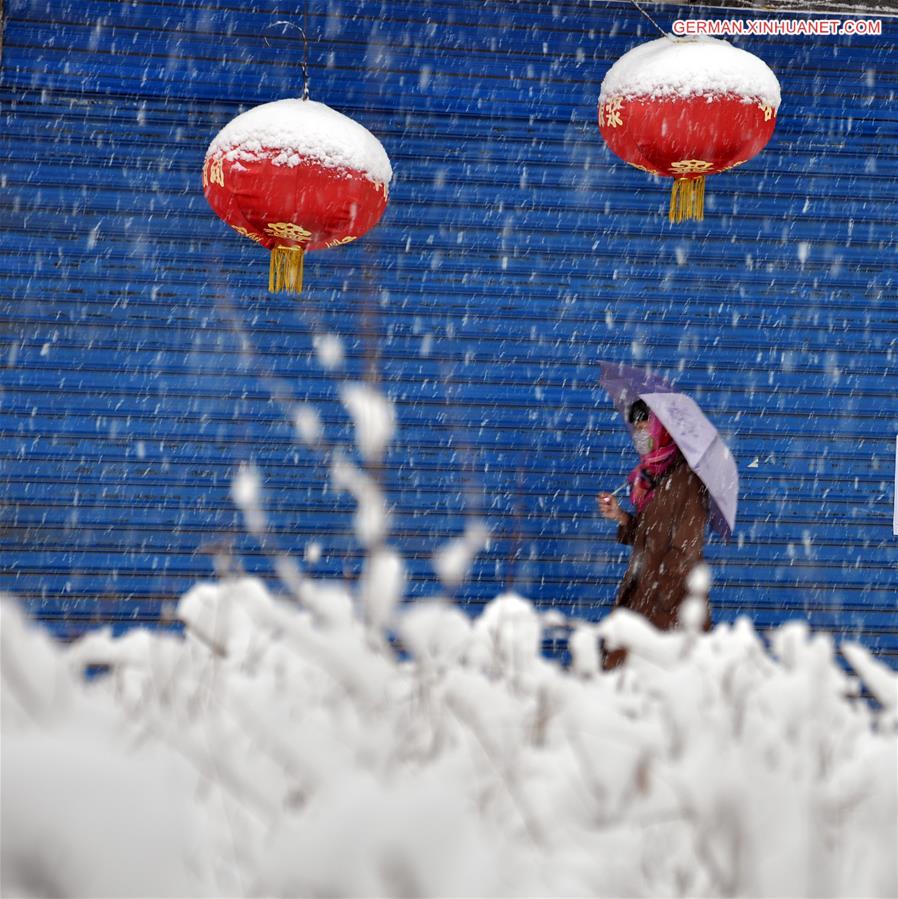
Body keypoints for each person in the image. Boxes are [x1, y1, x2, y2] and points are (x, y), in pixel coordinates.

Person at [597, 399, 710, 669]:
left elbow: (687, 548)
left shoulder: (688, 481)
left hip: (671, 604)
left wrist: (656, 591)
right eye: (636, 427)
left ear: (664, 427)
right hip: (645, 590)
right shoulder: (651, 476)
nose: (640, 433)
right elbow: (650, 535)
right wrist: (621, 516)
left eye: (645, 424)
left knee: (655, 681)